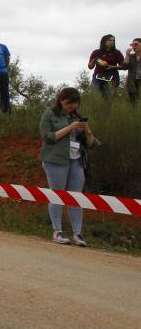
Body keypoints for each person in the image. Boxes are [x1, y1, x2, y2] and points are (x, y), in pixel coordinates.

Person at [39, 88, 99, 246]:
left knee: (76, 196)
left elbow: (92, 144)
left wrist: (87, 130)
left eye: (74, 103)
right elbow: (48, 137)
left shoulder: (77, 117)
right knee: (57, 195)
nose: (71, 106)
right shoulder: (49, 114)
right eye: (68, 103)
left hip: (76, 160)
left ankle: (77, 234)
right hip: (55, 160)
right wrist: (70, 128)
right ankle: (57, 231)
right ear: (60, 100)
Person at [123, 38, 141, 104]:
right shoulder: (130, 56)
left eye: (136, 44)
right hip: (132, 84)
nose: (133, 46)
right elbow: (124, 67)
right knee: (133, 105)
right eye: (132, 45)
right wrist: (127, 55)